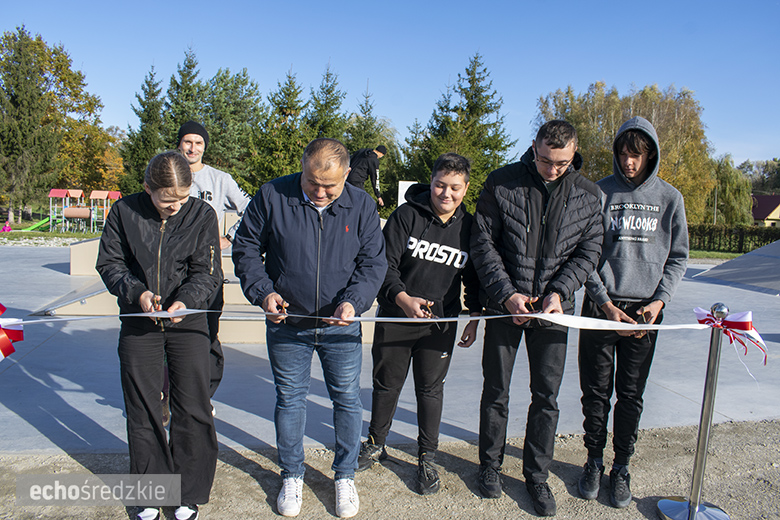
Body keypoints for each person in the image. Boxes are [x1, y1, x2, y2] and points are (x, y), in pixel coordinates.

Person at [232, 138, 387, 518]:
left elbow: (373, 264)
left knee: (347, 400)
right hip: (287, 324)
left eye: (329, 186)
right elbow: (246, 247)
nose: (319, 192)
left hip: (341, 325)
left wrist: (355, 301)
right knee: (290, 399)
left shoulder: (362, 205)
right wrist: (264, 293)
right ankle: (292, 474)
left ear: (347, 175)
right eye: (311, 182)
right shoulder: (272, 195)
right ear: (302, 168)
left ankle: (345, 475)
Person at [470, 120, 603, 517]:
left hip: (554, 312)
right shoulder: (502, 181)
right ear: (533, 147)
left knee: (546, 397)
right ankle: (489, 467)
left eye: (561, 163)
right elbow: (483, 243)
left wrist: (559, 293)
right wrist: (506, 294)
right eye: (544, 160)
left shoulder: (588, 195)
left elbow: (589, 251)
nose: (551, 169)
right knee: (496, 390)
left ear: (573, 153)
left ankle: (537, 477)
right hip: (505, 305)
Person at [96, 151, 222, 520]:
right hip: (139, 322)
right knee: (143, 408)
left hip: (188, 323)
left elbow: (208, 273)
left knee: (193, 408)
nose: (175, 207)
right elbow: (110, 263)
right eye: (167, 201)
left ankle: (188, 493)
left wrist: (186, 301)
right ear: (148, 188)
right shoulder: (124, 212)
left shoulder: (202, 215)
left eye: (182, 199)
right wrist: (137, 293)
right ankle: (150, 490)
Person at [577, 116, 688, 508]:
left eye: (637, 156)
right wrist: (604, 303)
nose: (629, 163)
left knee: (630, 395)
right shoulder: (598, 193)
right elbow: (586, 255)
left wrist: (658, 302)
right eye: (623, 155)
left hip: (645, 314)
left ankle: (620, 466)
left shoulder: (670, 198)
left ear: (650, 156)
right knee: (595, 393)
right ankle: (592, 461)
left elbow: (678, 258)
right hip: (600, 309)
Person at [356, 153, 482, 495]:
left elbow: (473, 277)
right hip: (397, 316)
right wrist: (402, 298)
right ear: (431, 181)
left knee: (430, 389)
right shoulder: (406, 216)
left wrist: (473, 316)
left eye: (455, 188)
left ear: (465, 188)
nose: (446, 193)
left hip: (439, 324)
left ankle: (427, 456)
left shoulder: (470, 228)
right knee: (387, 384)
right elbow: (383, 266)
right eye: (440, 185)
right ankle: (376, 442)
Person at [177, 120, 253, 404]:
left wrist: (230, 237)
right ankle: (167, 396)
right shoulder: (168, 171)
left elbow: (251, 208)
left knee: (206, 333)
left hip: (207, 268)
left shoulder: (220, 179)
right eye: (188, 142)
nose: (192, 148)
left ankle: (203, 397)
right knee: (169, 335)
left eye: (198, 143)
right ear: (179, 144)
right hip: (172, 267)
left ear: (205, 147)